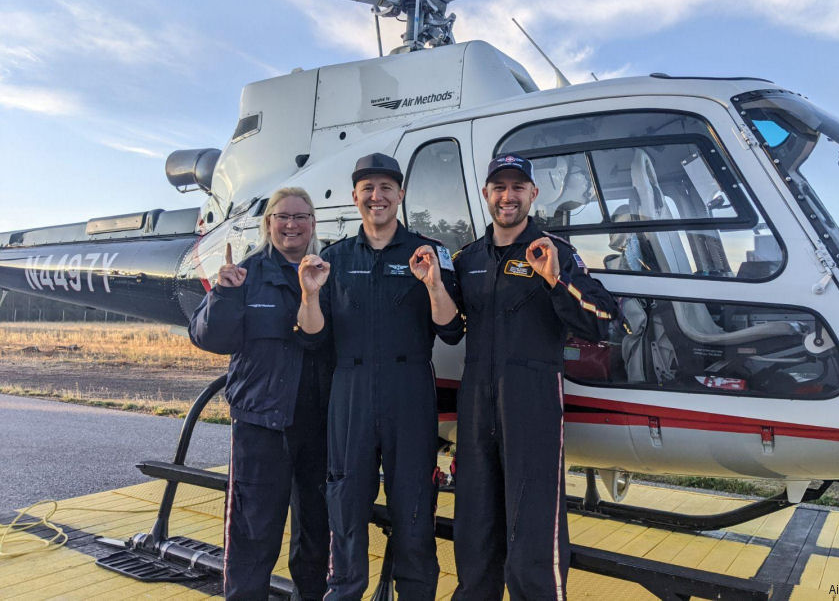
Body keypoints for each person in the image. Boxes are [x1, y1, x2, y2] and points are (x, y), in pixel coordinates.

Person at [297, 152, 464, 600]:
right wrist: (309, 296)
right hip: (349, 392)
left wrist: (433, 285)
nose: (377, 196)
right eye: (368, 188)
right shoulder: (331, 259)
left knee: (412, 509)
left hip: (408, 391)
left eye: (386, 188)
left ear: (400, 195)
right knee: (346, 507)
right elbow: (314, 339)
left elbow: (450, 331)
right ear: (355, 198)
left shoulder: (427, 253)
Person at [451, 154, 617, 601]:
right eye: (499, 187)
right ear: (486, 194)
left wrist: (555, 281)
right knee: (474, 525)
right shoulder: (466, 259)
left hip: (532, 402)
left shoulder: (554, 251)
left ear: (533, 194)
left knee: (534, 527)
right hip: (475, 406)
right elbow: (447, 325)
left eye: (517, 187)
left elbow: (604, 321)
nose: (508, 196)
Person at [189, 187, 330, 600]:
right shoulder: (244, 275)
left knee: (316, 537)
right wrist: (224, 294)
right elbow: (208, 337)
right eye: (282, 216)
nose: (291, 224)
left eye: (301, 217)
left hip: (319, 426)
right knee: (252, 537)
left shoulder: (326, 271)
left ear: (313, 223)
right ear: (268, 223)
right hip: (261, 425)